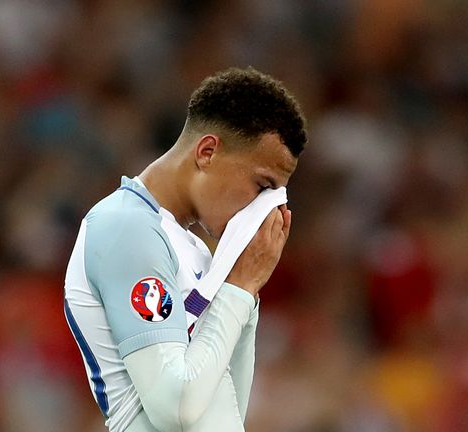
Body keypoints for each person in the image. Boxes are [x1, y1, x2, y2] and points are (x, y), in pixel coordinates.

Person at [64, 67, 307, 431]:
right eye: (262, 185)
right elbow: (175, 408)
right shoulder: (126, 227)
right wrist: (238, 287)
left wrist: (246, 292)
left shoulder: (193, 250)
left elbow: (228, 409)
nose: (265, 209)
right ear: (207, 151)